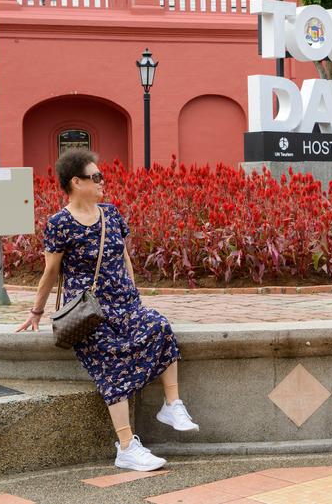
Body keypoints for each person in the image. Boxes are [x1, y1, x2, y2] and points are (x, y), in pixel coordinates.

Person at [16, 149, 198, 471]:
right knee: (110, 358)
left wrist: (134, 296)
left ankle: (172, 404)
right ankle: (126, 446)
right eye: (96, 177)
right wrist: (36, 311)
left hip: (125, 303)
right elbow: (51, 271)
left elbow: (124, 257)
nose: (103, 182)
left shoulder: (111, 214)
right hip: (90, 313)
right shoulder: (59, 223)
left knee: (159, 325)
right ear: (76, 182)